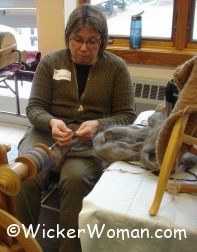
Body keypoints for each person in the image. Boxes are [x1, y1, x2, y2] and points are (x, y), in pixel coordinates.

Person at [15, 3, 136, 251]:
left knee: (75, 178)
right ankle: (20, 243)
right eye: (77, 39)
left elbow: (127, 115)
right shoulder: (50, 62)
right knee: (27, 174)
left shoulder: (116, 68)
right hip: (47, 132)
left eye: (92, 41)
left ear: (103, 41)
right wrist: (51, 121)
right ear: (68, 37)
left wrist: (99, 124)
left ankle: (70, 247)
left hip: (90, 138)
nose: (83, 48)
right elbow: (34, 108)